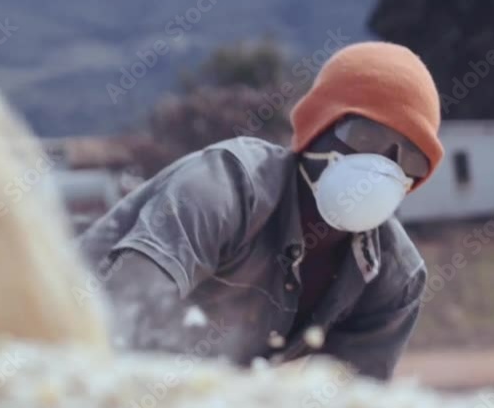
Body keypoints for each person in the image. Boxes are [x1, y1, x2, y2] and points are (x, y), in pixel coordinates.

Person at [78, 41, 443, 380]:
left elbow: (347, 405)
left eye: (409, 158)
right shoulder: (226, 188)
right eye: (366, 137)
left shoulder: (394, 278)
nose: (384, 167)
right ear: (318, 128)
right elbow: (124, 312)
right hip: (57, 346)